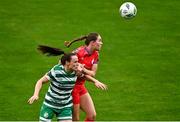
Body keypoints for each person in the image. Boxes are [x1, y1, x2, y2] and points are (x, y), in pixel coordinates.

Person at [28, 47, 107, 122]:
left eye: (78, 61)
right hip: (50, 105)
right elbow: (40, 81)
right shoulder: (56, 71)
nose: (78, 64)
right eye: (75, 62)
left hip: (65, 107)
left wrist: (95, 81)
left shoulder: (75, 71)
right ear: (67, 63)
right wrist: (35, 94)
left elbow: (85, 76)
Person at [64, 32, 106, 121]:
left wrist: (83, 69)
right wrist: (75, 69)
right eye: (99, 41)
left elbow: (93, 73)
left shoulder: (96, 54)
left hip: (80, 86)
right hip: (71, 87)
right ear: (92, 43)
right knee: (75, 119)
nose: (101, 43)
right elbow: (62, 62)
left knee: (92, 115)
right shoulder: (78, 52)